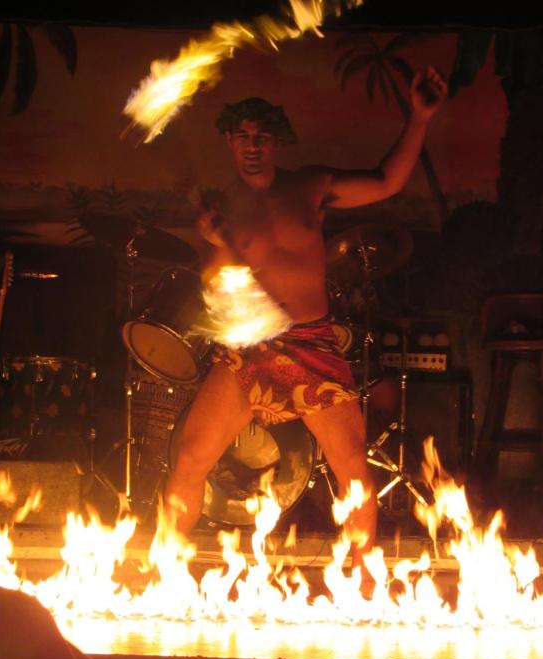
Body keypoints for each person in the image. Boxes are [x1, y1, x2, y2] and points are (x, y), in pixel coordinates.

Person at [165, 67, 447, 582]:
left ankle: (364, 584)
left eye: (262, 137)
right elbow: (216, 289)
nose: (253, 146)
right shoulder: (219, 209)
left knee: (353, 471)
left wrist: (420, 117)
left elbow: (386, 181)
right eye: (243, 137)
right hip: (249, 350)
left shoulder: (311, 186)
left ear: (277, 142)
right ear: (229, 141)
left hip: (312, 345)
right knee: (189, 459)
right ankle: (166, 573)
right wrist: (219, 244)